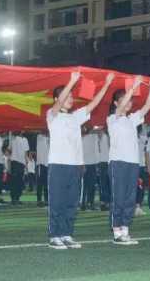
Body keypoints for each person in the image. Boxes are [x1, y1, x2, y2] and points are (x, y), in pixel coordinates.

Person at [47, 71, 113, 249]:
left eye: (71, 96)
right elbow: (59, 103)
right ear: (57, 99)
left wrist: (106, 85)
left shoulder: (76, 117)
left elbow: (93, 104)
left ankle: (66, 234)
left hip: (75, 166)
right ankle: (55, 235)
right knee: (57, 201)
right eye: (66, 96)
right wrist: (72, 82)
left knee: (71, 202)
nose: (70, 98)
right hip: (58, 165)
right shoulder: (52, 115)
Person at [107, 75, 150, 245]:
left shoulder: (131, 119)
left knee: (130, 198)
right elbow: (121, 109)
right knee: (119, 197)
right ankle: (116, 230)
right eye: (123, 101)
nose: (128, 103)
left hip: (132, 163)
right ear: (115, 103)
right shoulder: (112, 119)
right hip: (118, 163)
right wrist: (132, 89)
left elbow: (147, 106)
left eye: (129, 101)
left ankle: (125, 229)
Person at [9, 132, 30, 205]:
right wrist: (26, 164)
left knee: (14, 181)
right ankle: (16, 198)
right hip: (19, 163)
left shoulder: (13, 138)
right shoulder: (24, 140)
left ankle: (14, 199)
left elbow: (10, 150)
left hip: (15, 163)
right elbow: (26, 153)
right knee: (18, 181)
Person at [81, 128, 99, 211]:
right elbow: (80, 152)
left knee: (92, 185)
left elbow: (96, 150)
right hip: (86, 164)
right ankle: (83, 204)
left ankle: (90, 203)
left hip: (93, 164)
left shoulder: (94, 136)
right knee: (84, 185)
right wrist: (82, 164)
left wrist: (97, 163)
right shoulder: (82, 138)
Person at [97, 130, 111, 211]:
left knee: (106, 183)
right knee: (103, 184)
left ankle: (107, 202)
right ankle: (103, 202)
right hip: (101, 162)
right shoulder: (98, 138)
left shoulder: (107, 136)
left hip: (107, 162)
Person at [35, 132, 49, 207]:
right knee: (40, 184)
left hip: (48, 165)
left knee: (47, 184)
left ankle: (46, 200)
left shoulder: (49, 139)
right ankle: (39, 200)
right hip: (40, 164)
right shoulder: (39, 137)